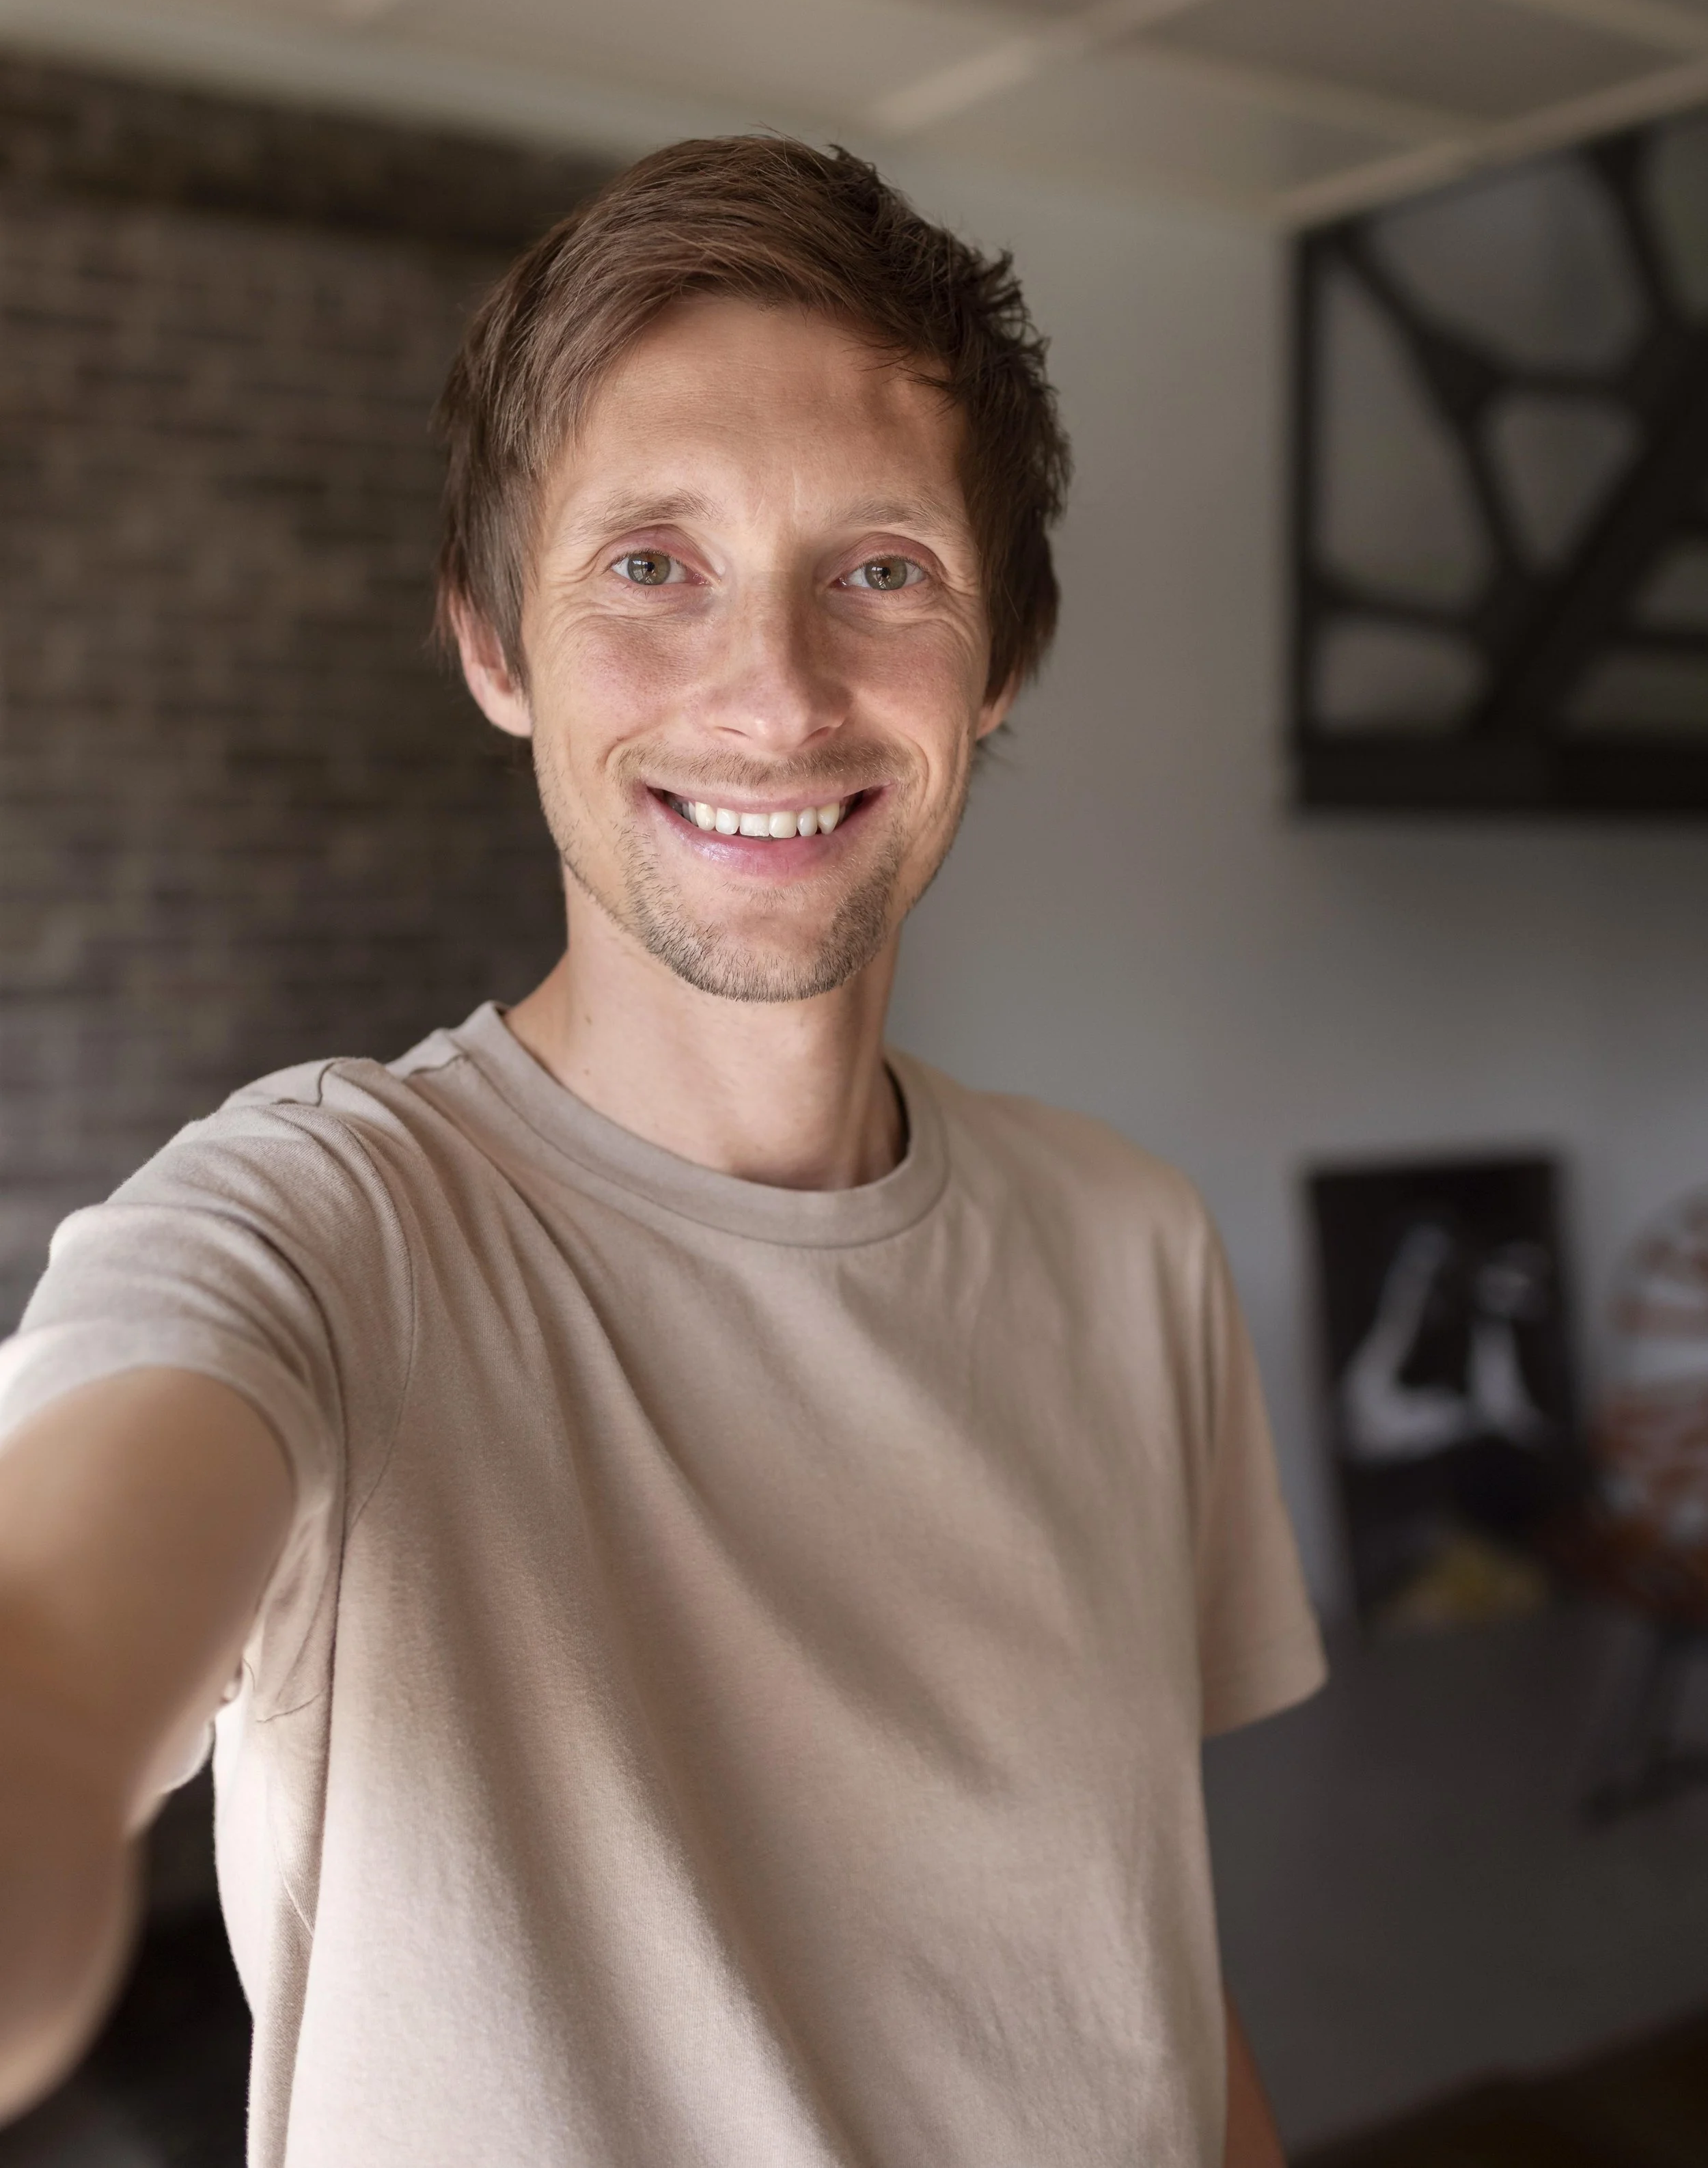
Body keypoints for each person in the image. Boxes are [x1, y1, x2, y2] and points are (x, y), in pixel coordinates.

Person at [0, 138, 1323, 2167]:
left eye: (879, 568)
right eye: (651, 563)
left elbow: (1133, 1942)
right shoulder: (320, 1234)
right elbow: (57, 1646)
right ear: (493, 647)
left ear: (999, 664)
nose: (775, 693)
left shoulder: (1131, 1238)